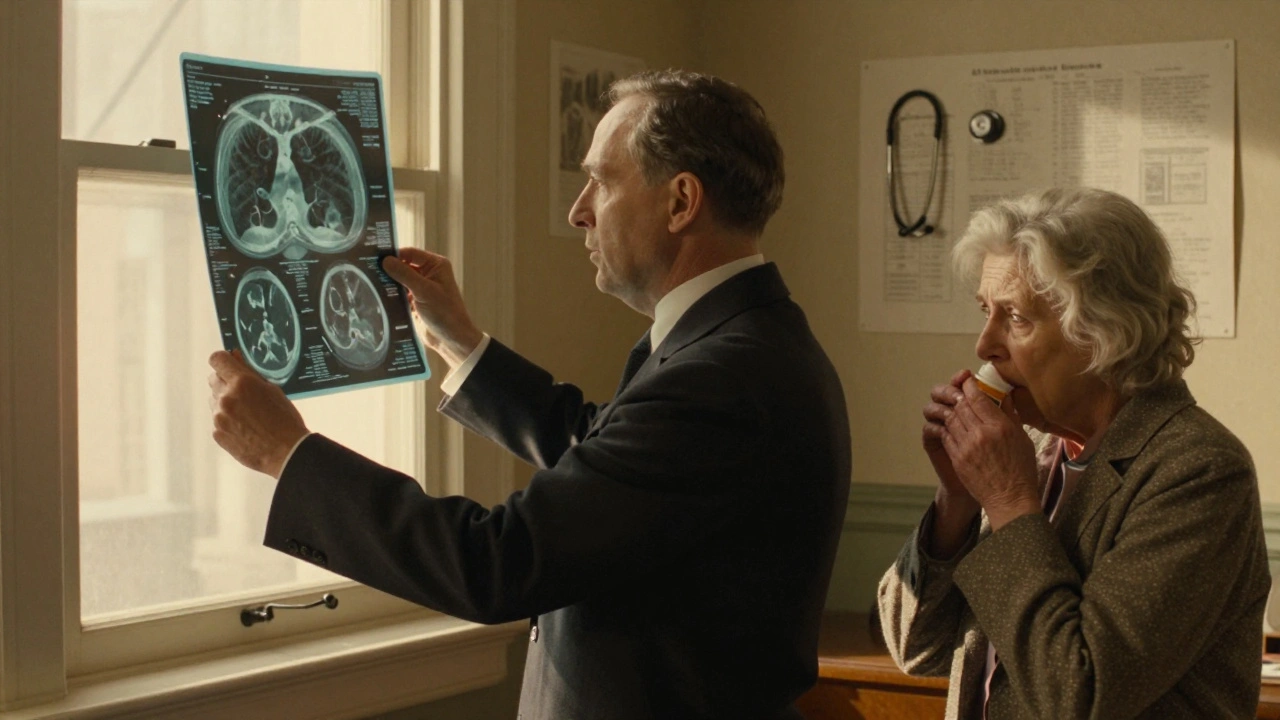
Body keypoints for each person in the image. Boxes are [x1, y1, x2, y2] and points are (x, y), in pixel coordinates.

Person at [209, 69, 851, 720]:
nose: (579, 210)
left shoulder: (721, 377)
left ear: (681, 201)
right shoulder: (743, 344)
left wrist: (290, 455)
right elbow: (612, 463)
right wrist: (462, 342)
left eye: (601, 179)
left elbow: (501, 563)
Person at [877, 187, 1270, 719]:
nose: (984, 343)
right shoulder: (1030, 452)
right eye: (985, 311)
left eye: (1014, 317)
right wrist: (958, 500)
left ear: (1105, 330)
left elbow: (1080, 696)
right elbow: (916, 648)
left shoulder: (1197, 469)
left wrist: (1010, 501)